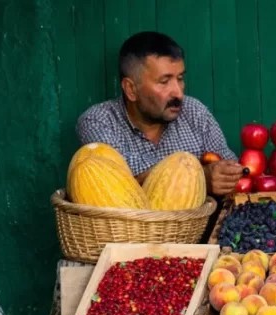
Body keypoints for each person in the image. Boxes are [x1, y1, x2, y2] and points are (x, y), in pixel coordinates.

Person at [77, 31, 243, 196]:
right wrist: (201, 178)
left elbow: (230, 167)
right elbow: (120, 184)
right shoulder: (98, 121)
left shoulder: (193, 111)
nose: (178, 93)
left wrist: (227, 175)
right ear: (131, 89)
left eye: (180, 78)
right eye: (164, 82)